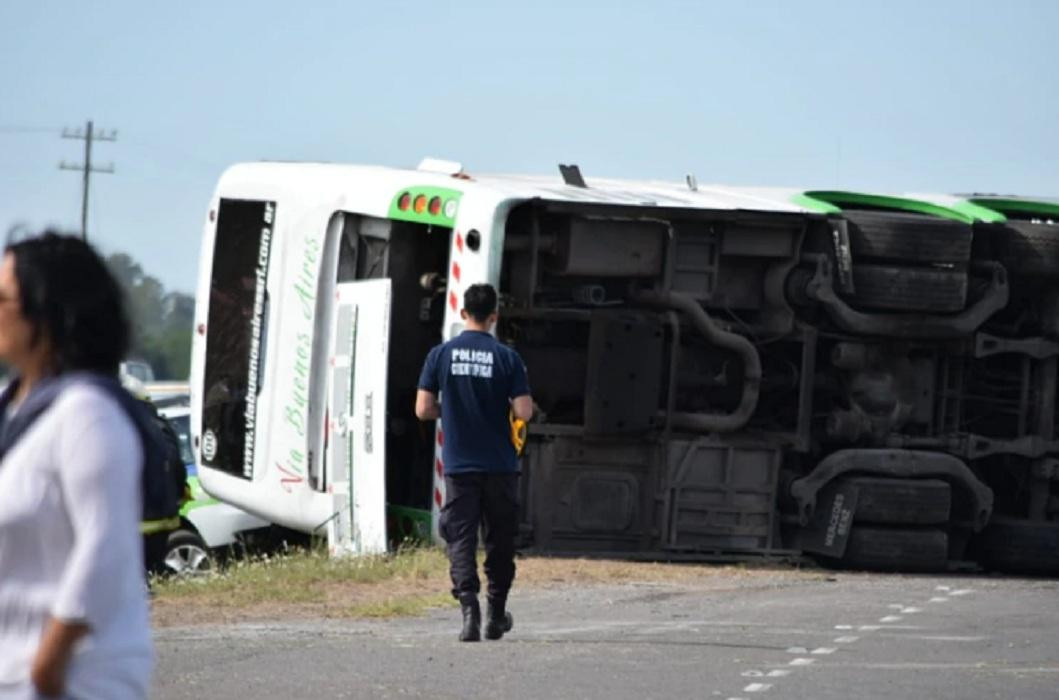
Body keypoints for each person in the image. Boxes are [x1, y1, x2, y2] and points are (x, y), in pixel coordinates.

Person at [0, 232, 153, 699]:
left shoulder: (88, 414)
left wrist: (49, 665)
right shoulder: (13, 411)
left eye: (3, 298)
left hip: (74, 679)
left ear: (47, 313)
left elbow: (104, 547)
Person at [415, 283, 533, 642]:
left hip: (459, 466)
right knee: (499, 539)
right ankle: (496, 615)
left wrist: (448, 411)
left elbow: (422, 409)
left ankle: (469, 610)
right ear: (494, 317)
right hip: (499, 465)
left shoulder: (440, 355)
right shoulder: (507, 358)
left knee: (461, 537)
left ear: (463, 313)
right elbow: (524, 412)